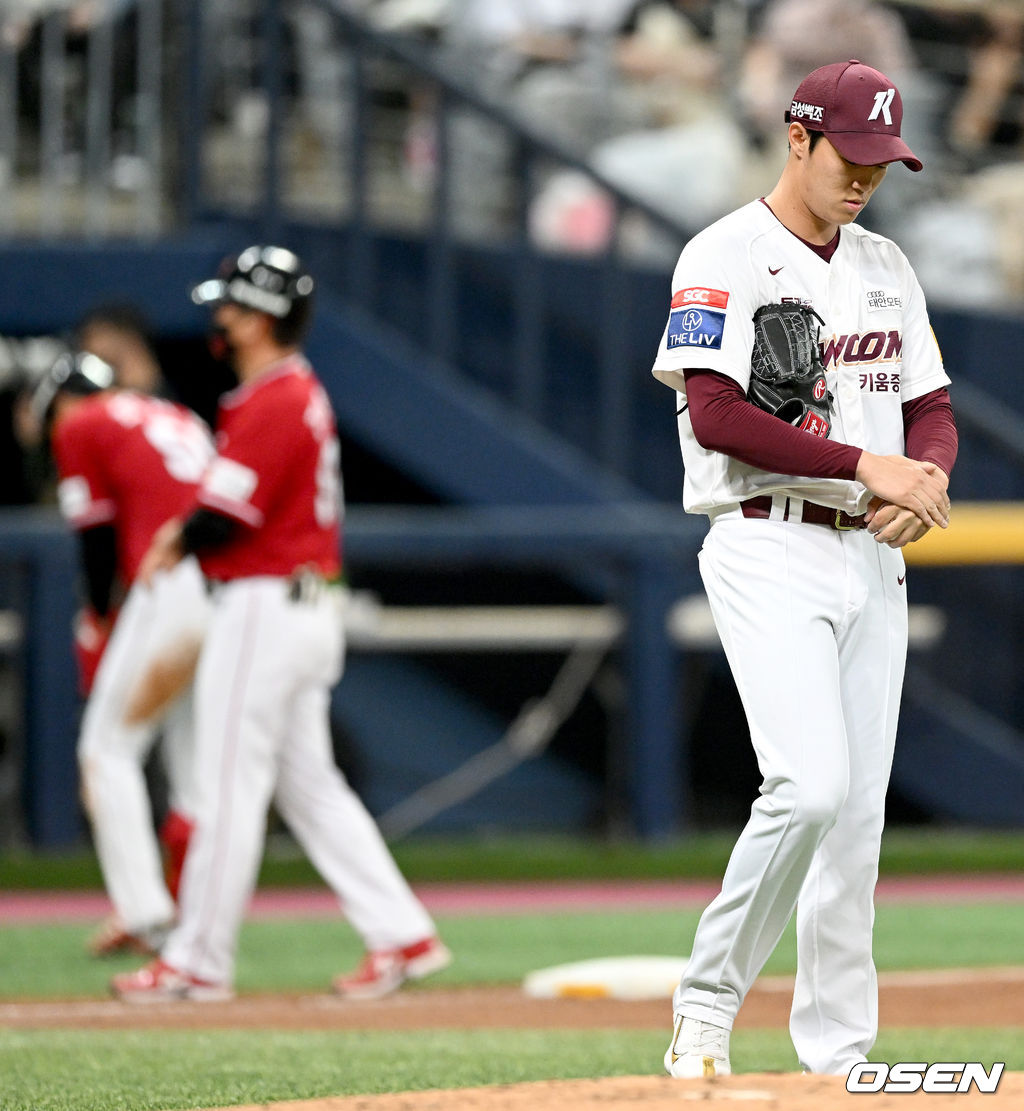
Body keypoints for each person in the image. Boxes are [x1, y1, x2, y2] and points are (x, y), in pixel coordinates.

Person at [650, 60, 958, 1077]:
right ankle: (704, 1004)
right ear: (796, 137)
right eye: (850, 155)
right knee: (809, 784)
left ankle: (837, 1058)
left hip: (868, 556)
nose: (866, 177)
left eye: (884, 159)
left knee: (856, 818)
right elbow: (717, 411)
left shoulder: (883, 262)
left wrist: (920, 481)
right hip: (766, 540)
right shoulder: (724, 252)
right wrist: (863, 463)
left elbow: (929, 408)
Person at [112, 245, 450, 1002]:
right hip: (301, 607)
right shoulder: (288, 391)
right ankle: (402, 932)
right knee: (311, 786)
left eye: (229, 306)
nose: (219, 320)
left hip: (266, 608)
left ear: (261, 316)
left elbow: (224, 520)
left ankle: (197, 958)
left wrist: (171, 538)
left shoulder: (274, 396)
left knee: (230, 783)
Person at [31, 349, 214, 956]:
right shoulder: (174, 415)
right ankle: (195, 920)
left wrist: (99, 619)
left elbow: (96, 543)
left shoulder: (83, 422)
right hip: (226, 591)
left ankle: (144, 912)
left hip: (167, 586)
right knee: (196, 770)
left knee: (106, 750)